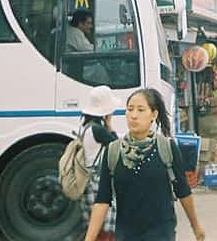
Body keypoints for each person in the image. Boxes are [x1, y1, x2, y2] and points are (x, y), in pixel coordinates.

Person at [85, 88, 205, 241]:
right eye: (130, 109)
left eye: (141, 110)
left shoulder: (166, 147)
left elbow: (183, 191)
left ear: (153, 115)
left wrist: (196, 226)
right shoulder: (113, 151)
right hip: (126, 235)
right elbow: (102, 200)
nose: (134, 115)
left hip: (161, 233)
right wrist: (89, 238)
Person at [80, 86, 120, 239]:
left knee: (93, 225)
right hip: (97, 183)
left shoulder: (85, 128)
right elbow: (118, 147)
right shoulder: (99, 130)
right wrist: (110, 125)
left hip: (87, 181)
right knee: (106, 225)